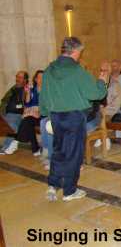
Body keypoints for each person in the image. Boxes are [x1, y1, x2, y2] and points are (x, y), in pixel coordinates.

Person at [40, 37, 107, 202]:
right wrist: (102, 82)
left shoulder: (49, 69)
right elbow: (95, 94)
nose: (80, 56)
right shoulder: (76, 71)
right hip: (74, 116)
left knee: (59, 151)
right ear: (76, 51)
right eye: (80, 52)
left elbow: (44, 95)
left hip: (55, 116)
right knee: (75, 154)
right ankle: (70, 190)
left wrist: (46, 114)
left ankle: (53, 185)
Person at [3, 71, 43, 155]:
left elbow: (47, 105)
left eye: (43, 77)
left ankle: (14, 142)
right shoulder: (32, 89)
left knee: (23, 121)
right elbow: (28, 103)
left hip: (42, 114)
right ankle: (35, 150)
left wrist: (38, 111)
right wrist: (28, 93)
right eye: (39, 77)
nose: (41, 79)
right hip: (31, 114)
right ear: (35, 79)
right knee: (27, 121)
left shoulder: (47, 90)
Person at [0, 71, 28, 154]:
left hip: (17, 114)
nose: (17, 79)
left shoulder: (27, 89)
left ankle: (6, 147)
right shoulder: (13, 88)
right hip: (5, 113)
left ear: (25, 80)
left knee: (12, 126)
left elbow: (27, 103)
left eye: (20, 77)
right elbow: (4, 100)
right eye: (17, 77)